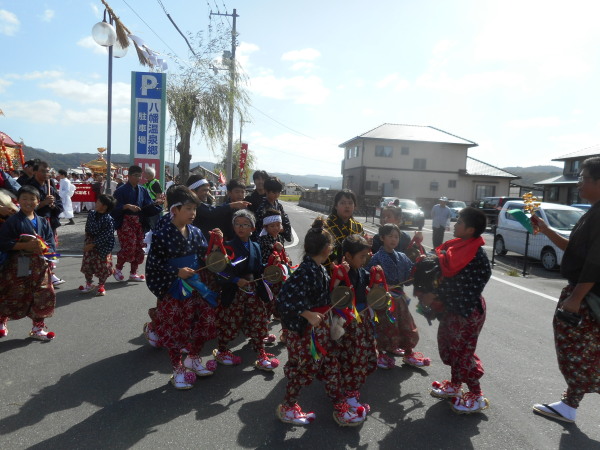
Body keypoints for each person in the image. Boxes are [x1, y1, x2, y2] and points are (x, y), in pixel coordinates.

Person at [275, 217, 365, 426]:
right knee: (305, 371)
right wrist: (308, 314)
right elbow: (283, 300)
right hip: (309, 333)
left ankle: (340, 407)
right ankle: (288, 408)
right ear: (326, 249)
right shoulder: (306, 271)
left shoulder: (319, 269)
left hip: (320, 330)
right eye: (331, 245)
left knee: (331, 365)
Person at [532, 157, 600, 424]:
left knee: (576, 349)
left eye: (583, 178)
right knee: (585, 350)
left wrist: (575, 298)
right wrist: (547, 230)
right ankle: (569, 405)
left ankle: (570, 404)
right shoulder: (593, 211)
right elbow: (576, 252)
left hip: (587, 295)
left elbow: (596, 262)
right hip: (584, 292)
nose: (579, 182)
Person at [417, 207, 491, 414]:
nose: (455, 225)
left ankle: (476, 394)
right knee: (449, 347)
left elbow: (463, 286)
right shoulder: (458, 247)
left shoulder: (476, 256)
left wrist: (437, 295)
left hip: (468, 311)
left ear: (470, 229)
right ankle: (455, 384)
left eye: (459, 222)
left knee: (462, 353)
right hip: (453, 309)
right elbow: (442, 271)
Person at [146, 186, 219, 389]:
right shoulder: (162, 235)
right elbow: (153, 265)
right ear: (175, 209)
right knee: (176, 328)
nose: (193, 213)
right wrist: (175, 272)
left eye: (194, 209)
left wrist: (215, 245)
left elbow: (204, 256)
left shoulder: (196, 232)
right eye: (188, 208)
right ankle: (177, 368)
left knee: (205, 320)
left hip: (196, 285)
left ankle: (193, 358)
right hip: (174, 288)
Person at [212, 210, 279, 371]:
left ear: (253, 228)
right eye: (237, 223)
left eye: (245, 224)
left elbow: (257, 268)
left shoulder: (255, 246)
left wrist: (270, 265)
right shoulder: (227, 246)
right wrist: (235, 280)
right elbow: (218, 270)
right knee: (230, 322)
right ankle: (222, 350)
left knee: (258, 320)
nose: (240, 227)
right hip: (234, 292)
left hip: (252, 290)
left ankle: (260, 352)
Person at [368, 223, 431, 368]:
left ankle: (409, 353)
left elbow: (410, 274)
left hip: (399, 298)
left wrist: (419, 264)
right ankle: (381, 353)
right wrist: (381, 286)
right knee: (384, 326)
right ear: (382, 238)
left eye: (396, 237)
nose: (394, 240)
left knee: (406, 325)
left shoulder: (402, 256)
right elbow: (368, 276)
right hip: (383, 299)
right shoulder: (376, 258)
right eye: (390, 236)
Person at [0, 185, 57, 341]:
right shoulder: (12, 221)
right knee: (14, 293)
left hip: (40, 264)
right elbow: (3, 242)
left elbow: (51, 242)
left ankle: (38, 327)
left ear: (38, 201)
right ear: (18, 201)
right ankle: (2, 320)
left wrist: (51, 256)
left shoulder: (43, 221)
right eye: (24, 198)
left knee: (44, 294)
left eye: (32, 199)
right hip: (20, 263)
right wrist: (24, 245)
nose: (28, 202)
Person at [331, 234, 378, 419]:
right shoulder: (342, 272)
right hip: (348, 321)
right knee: (353, 356)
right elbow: (334, 294)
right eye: (361, 257)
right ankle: (349, 396)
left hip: (361, 319)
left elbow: (367, 280)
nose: (364, 260)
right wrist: (337, 276)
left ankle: (348, 389)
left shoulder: (359, 270)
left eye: (366, 256)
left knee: (359, 354)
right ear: (348, 256)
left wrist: (376, 274)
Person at [111, 165, 164, 282]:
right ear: (128, 176)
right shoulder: (120, 190)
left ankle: (133, 272)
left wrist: (156, 204)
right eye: (135, 175)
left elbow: (147, 205)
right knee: (129, 246)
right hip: (125, 221)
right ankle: (118, 268)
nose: (138, 178)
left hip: (139, 222)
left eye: (140, 176)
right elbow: (113, 207)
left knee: (140, 247)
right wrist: (126, 206)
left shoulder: (143, 190)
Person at [26, 161, 65, 286]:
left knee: (51, 247)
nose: (46, 173)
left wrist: (53, 205)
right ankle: (33, 274)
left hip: (49, 223)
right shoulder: (29, 188)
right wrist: (43, 203)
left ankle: (50, 272)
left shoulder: (51, 188)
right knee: (35, 249)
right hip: (34, 223)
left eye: (47, 171)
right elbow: (24, 206)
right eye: (43, 171)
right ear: (35, 172)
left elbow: (60, 206)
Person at [186, 175, 249, 240]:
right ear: (192, 191)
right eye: (204, 190)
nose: (207, 193)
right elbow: (211, 211)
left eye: (208, 190)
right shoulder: (193, 204)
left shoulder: (244, 208)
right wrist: (232, 205)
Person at [79, 194, 117, 297]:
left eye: (99, 202)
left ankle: (101, 285)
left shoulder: (108, 219)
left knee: (102, 267)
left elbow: (106, 236)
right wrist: (88, 242)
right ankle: (89, 283)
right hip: (90, 241)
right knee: (87, 264)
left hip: (103, 245)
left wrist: (93, 244)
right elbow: (87, 228)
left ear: (105, 207)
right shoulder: (91, 214)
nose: (96, 203)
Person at [325, 189, 367, 268]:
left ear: (355, 206)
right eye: (343, 203)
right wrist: (337, 260)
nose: (347, 206)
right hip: (333, 269)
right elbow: (321, 251)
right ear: (336, 206)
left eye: (350, 203)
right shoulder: (327, 225)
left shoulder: (358, 226)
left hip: (354, 269)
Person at [253, 177, 292, 242]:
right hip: (266, 242)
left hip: (278, 239)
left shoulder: (279, 206)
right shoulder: (262, 208)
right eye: (274, 192)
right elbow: (259, 227)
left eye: (278, 192)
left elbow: (286, 222)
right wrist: (278, 228)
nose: (276, 195)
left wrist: (282, 229)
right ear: (266, 191)